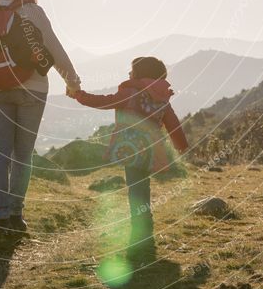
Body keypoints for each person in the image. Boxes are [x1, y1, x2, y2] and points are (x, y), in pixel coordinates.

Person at [0, 0, 80, 237]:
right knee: (22, 156)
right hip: (33, 90)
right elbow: (54, 50)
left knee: (0, 153)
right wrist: (72, 81)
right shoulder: (33, 10)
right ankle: (17, 214)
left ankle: (0, 216)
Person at [69, 56, 188, 257]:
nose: (129, 74)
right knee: (143, 188)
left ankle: (140, 232)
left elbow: (103, 102)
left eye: (132, 71)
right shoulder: (162, 97)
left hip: (130, 150)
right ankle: (145, 227)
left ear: (140, 74)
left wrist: (79, 95)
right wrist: (181, 146)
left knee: (135, 190)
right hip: (150, 151)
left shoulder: (130, 92)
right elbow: (173, 123)